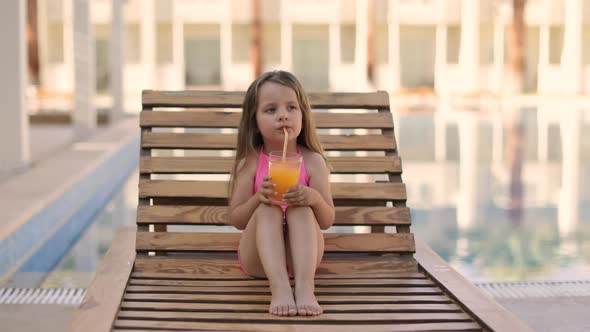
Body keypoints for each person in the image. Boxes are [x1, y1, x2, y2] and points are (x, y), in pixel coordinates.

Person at [228, 71, 334, 316]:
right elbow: (236, 219)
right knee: (268, 207)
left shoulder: (313, 161)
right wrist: (258, 198)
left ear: (303, 116)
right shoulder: (251, 162)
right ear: (254, 121)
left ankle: (306, 288)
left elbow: (327, 221)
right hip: (259, 261)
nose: (283, 115)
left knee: (301, 206)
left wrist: (314, 199)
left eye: (291, 107)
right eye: (270, 110)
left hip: (303, 262)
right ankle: (279, 288)